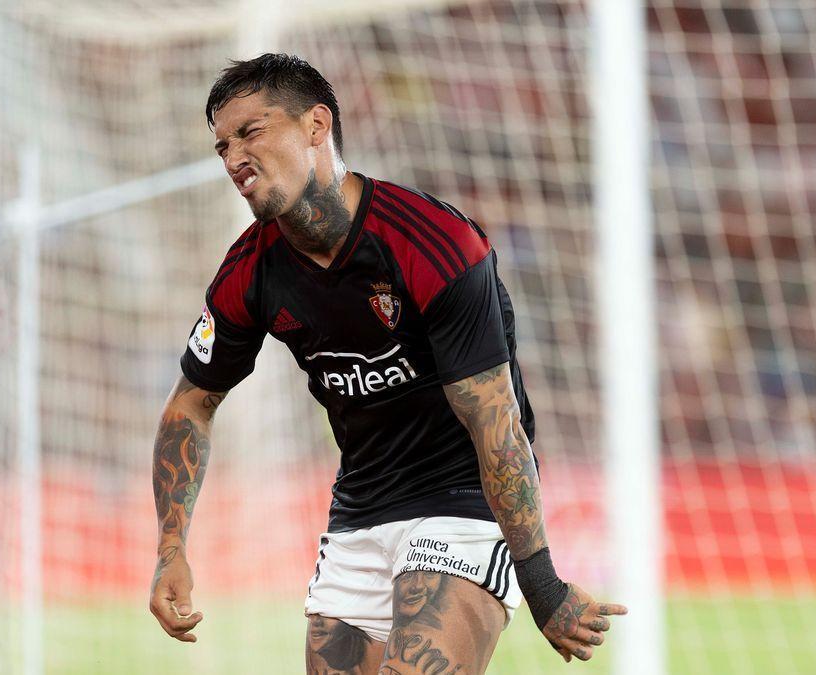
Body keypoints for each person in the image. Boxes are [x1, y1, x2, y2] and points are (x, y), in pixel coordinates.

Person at [149, 53, 626, 672]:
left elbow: (495, 424)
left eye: (251, 132)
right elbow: (191, 402)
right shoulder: (248, 273)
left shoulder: (433, 244)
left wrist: (542, 584)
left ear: (317, 126)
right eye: (222, 146)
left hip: (462, 499)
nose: (234, 156)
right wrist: (170, 549)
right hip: (360, 511)